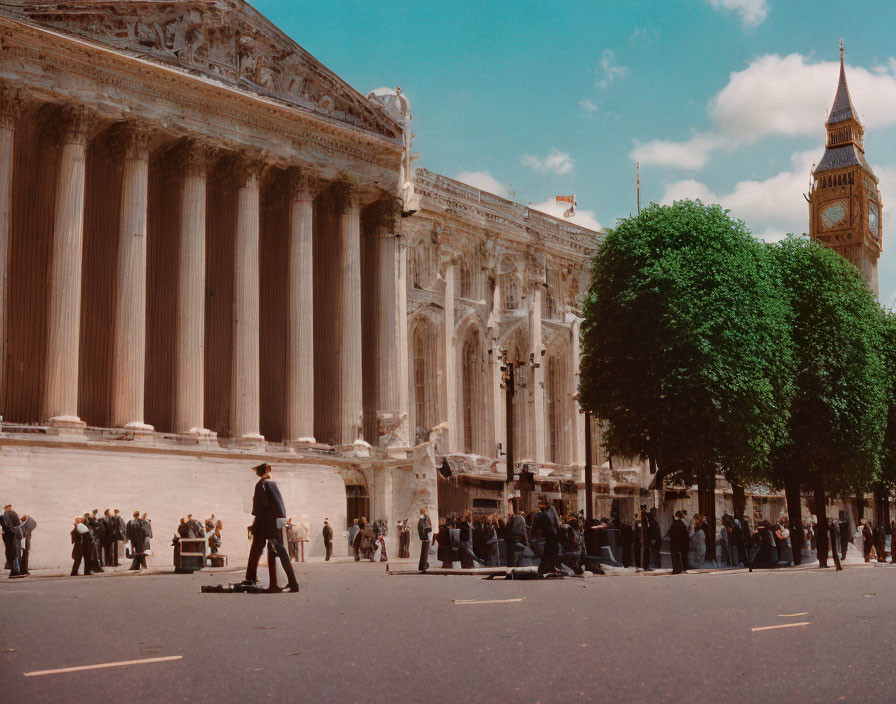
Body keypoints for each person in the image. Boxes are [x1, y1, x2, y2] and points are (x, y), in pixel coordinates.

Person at [242, 463, 299, 592]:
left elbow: (259, 506)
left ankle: (251, 577)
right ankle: (285, 582)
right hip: (276, 521)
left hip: (265, 521)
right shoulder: (272, 484)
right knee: (276, 550)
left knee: (257, 547)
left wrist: (255, 523)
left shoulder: (261, 484)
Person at [533, 496, 561, 576]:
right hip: (551, 536)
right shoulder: (549, 512)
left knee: (548, 552)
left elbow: (554, 523)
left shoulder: (546, 512)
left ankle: (546, 569)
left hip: (550, 535)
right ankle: (548, 568)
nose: (539, 505)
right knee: (549, 552)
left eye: (541, 503)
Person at [1, 504, 22, 577]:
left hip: (8, 535)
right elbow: (18, 524)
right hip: (14, 534)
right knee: (15, 552)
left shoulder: (3, 516)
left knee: (11, 552)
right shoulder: (14, 514)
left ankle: (14, 569)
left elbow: (4, 526)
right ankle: (16, 570)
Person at [417, 507, 432, 572]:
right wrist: (425, 533)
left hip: (424, 537)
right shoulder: (425, 517)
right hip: (426, 537)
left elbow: (421, 526)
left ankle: (422, 565)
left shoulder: (422, 517)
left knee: (424, 552)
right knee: (425, 552)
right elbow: (427, 527)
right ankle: (424, 565)